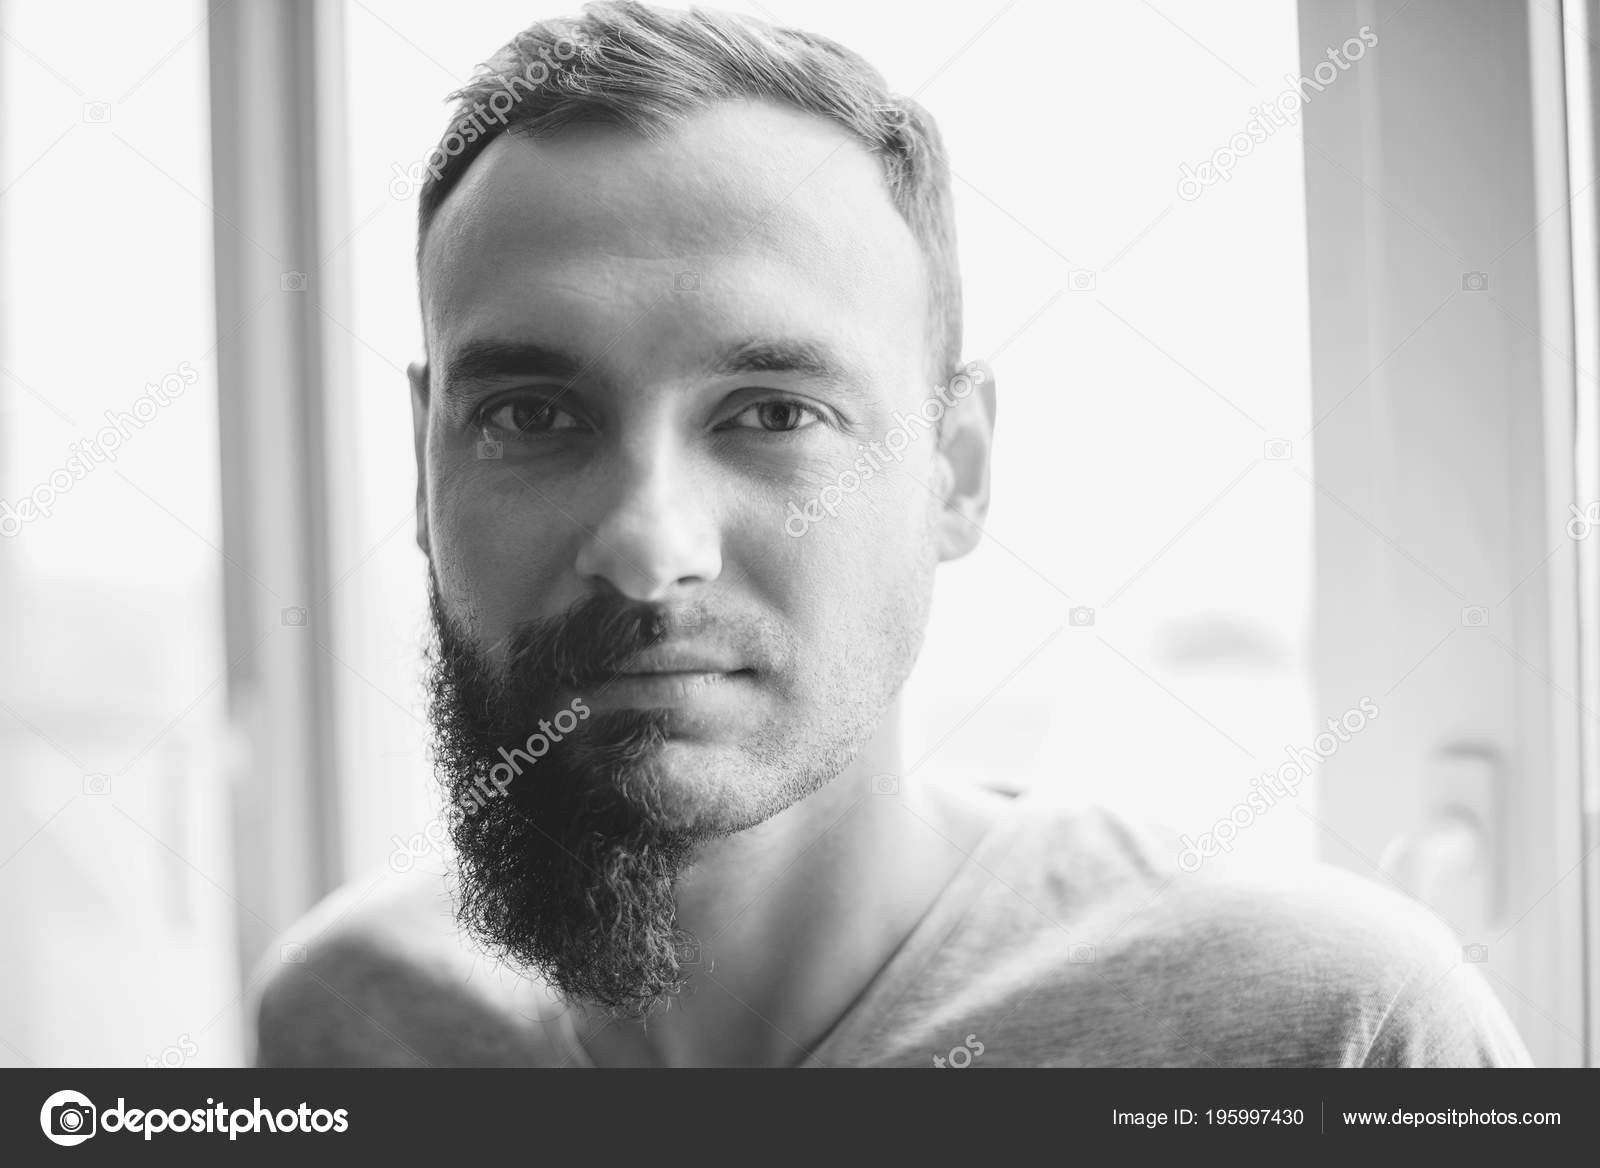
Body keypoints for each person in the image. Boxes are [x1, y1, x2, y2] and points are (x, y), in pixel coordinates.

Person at [252, 1, 1531, 1068]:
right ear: (426, 465)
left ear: (956, 469)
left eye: (769, 411)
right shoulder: (356, 1017)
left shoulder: (1331, 1036)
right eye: (532, 413)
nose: (650, 546)